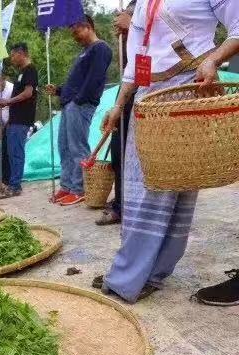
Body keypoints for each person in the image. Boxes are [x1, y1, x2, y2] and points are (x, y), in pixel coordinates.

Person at [94, 0, 239, 304]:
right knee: (140, 186)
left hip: (188, 87)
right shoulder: (144, 3)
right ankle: (134, 270)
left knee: (172, 186)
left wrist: (214, 60)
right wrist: (119, 105)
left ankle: (144, 273)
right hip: (149, 95)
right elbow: (136, 60)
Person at [45, 15, 113, 206]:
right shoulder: (85, 52)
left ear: (88, 27)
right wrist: (59, 90)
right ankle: (66, 186)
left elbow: (94, 79)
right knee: (64, 147)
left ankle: (79, 188)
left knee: (77, 147)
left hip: (81, 105)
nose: (76, 37)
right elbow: (77, 82)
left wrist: (79, 100)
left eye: (77, 32)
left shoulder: (100, 48)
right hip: (70, 104)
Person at [97, 1, 137, 226]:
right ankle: (122, 203)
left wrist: (132, 25)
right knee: (118, 148)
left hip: (149, 86)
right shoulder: (134, 4)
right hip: (128, 86)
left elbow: (160, 39)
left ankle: (130, 205)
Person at [0, 43, 38, 199]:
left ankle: (15, 186)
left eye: (13, 55)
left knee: (17, 152)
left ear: (21, 53)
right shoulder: (21, 73)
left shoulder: (30, 70)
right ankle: (11, 182)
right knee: (11, 152)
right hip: (15, 119)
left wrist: (8, 101)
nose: (12, 59)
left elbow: (28, 93)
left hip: (23, 119)